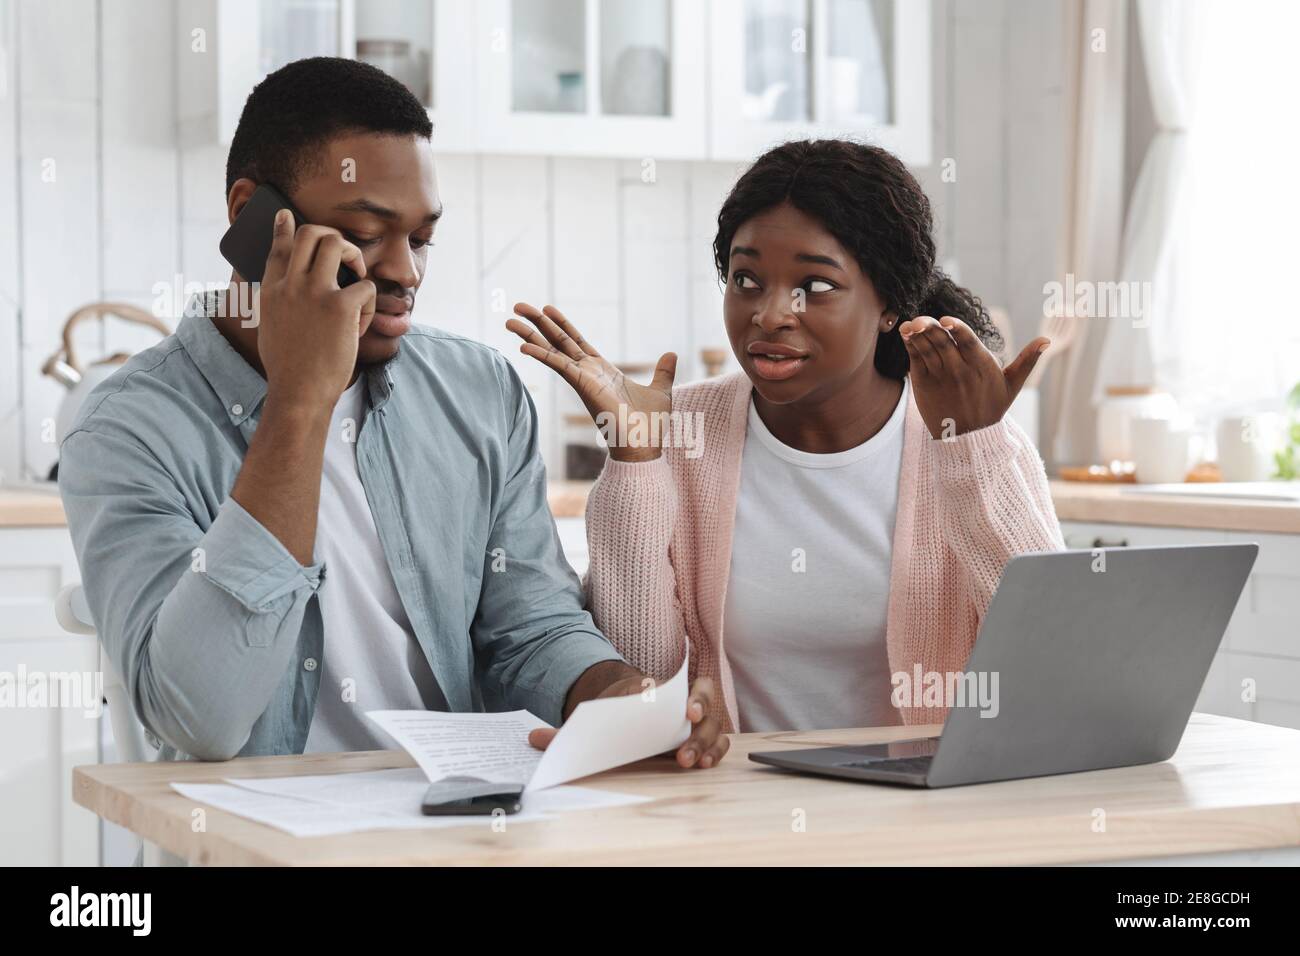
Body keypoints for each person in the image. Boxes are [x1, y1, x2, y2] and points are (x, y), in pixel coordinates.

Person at [59, 57, 726, 769]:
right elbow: (202, 719)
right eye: (369, 233)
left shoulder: (478, 393)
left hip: (461, 828)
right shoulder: (127, 430)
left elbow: (528, 630)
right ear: (252, 220)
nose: (406, 271)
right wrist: (299, 401)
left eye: (421, 238)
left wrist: (621, 695)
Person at [508, 138, 1064, 734]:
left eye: (815, 286)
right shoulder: (677, 435)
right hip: (724, 810)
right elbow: (640, 689)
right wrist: (635, 462)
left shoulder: (964, 443)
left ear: (889, 305)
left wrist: (973, 452)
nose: (770, 313)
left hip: (925, 812)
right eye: (746, 278)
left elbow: (1054, 660)